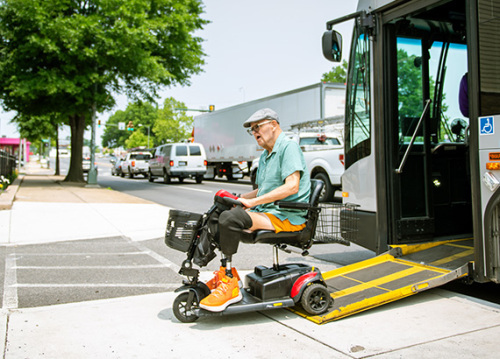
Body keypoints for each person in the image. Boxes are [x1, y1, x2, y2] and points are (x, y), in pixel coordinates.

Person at [199, 108, 311, 312]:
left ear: (274, 125)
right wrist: (239, 199)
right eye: (252, 130)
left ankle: (231, 284)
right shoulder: (267, 156)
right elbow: (264, 189)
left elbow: (292, 186)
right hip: (269, 212)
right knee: (218, 211)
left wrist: (253, 202)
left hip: (286, 215)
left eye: (257, 127)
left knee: (230, 219)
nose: (255, 133)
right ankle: (225, 272)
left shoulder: (289, 148)